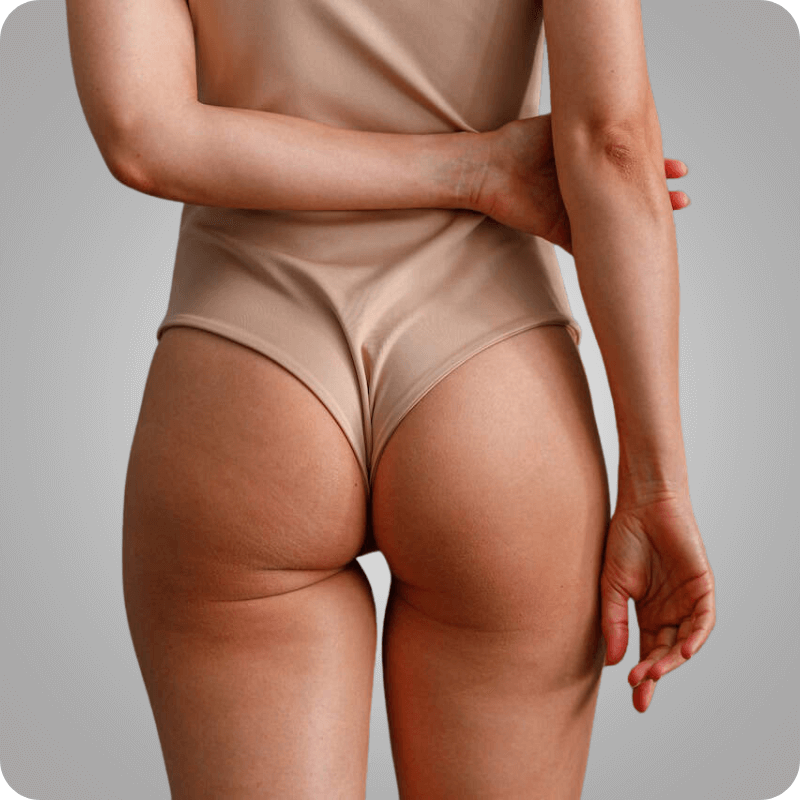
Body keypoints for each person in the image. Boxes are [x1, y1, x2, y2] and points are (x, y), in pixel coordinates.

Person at [66, 0, 715, 797]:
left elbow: (142, 132)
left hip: (246, 387)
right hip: (496, 400)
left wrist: (473, 170)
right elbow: (612, 144)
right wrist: (656, 484)